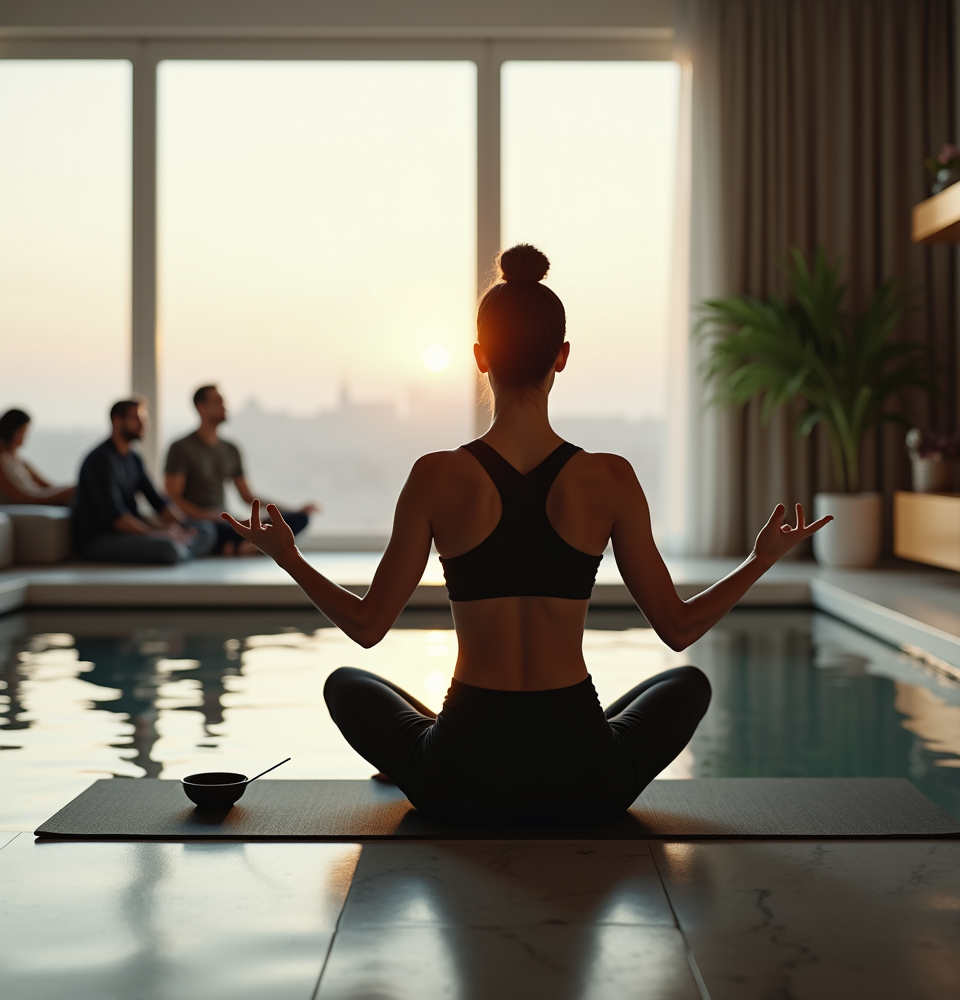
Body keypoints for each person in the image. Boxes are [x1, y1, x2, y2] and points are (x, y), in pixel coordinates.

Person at [225, 244, 832, 826]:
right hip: (587, 785)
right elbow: (678, 631)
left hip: (456, 783)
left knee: (346, 685)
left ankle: (438, 736)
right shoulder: (609, 478)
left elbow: (366, 628)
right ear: (561, 355)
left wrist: (290, 558)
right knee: (687, 684)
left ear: (480, 356)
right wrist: (759, 559)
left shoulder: (435, 475)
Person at [164, 385, 316, 555]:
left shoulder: (231, 449)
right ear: (201, 407)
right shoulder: (181, 448)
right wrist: (208, 516)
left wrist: (291, 510)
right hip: (201, 524)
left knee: (298, 520)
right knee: (208, 532)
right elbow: (172, 499)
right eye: (218, 402)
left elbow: (248, 497)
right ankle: (238, 546)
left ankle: (238, 547)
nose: (224, 407)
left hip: (225, 522)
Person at [74, 398, 217, 564]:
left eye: (144, 420)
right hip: (101, 539)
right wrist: (158, 534)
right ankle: (183, 549)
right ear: (117, 420)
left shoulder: (134, 458)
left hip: (128, 534)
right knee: (168, 548)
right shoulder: (100, 460)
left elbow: (157, 500)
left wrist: (183, 527)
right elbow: (116, 518)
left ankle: (184, 548)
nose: (144, 425)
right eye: (137, 419)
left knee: (206, 530)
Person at [0, 409, 76, 506]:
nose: (25, 437)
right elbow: (21, 497)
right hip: (21, 505)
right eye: (23, 432)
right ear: (13, 431)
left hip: (31, 498)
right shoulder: (2, 461)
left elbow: (49, 486)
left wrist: (68, 491)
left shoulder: (21, 462)